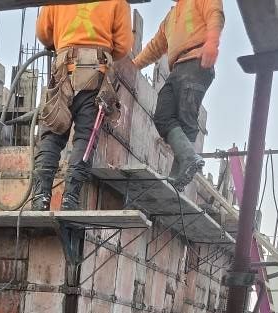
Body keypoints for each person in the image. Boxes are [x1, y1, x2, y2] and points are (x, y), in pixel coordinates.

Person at [32, 0, 133, 211]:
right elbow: (123, 46)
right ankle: (70, 199)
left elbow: (43, 33)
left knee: (52, 132)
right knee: (85, 138)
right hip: (96, 73)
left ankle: (40, 198)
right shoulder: (119, 2)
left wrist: (63, 42)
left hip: (63, 71)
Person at [133, 0, 224, 190]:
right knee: (162, 116)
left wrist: (212, 43)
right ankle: (187, 162)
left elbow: (215, 15)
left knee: (186, 118)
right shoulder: (171, 17)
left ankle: (179, 175)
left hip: (197, 61)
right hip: (178, 68)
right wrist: (132, 66)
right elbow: (155, 47)